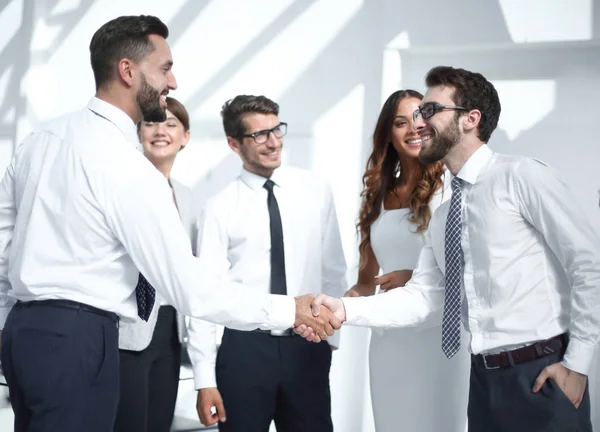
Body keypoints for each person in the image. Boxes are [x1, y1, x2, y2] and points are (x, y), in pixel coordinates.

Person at [0, 15, 338, 432]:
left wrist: (7, 326)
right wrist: (289, 308)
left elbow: (4, 246)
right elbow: (190, 287)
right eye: (164, 68)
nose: (173, 82)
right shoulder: (128, 168)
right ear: (128, 71)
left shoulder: (41, 139)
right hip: (81, 339)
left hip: (23, 333)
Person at [305, 66, 599, 432]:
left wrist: (577, 364)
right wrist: (344, 308)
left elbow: (588, 265)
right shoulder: (444, 215)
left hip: (541, 374)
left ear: (470, 119)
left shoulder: (522, 176)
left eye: (429, 111)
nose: (419, 123)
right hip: (481, 382)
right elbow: (425, 298)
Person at [187, 94, 347, 432]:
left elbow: (333, 267)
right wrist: (204, 378)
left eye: (276, 130)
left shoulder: (316, 190)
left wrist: (329, 339)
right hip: (245, 349)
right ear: (234, 143)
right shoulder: (219, 207)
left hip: (307, 344)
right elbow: (204, 296)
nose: (273, 142)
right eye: (259, 134)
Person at [345, 89, 469, 432]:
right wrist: (330, 309)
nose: (413, 128)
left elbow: (470, 266)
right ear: (388, 135)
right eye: (401, 122)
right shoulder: (376, 196)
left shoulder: (452, 186)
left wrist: (414, 276)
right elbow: (367, 282)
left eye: (420, 116)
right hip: (390, 340)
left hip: (440, 337)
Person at [114, 96, 194, 432]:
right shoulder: (121, 184)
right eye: (151, 122)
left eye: (171, 124)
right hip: (126, 328)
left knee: (160, 424)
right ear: (138, 131)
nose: (161, 131)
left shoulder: (187, 196)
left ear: (185, 136)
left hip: (170, 329)